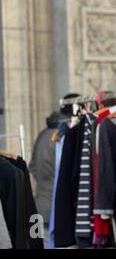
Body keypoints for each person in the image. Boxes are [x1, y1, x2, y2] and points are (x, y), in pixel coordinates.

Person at [29, 93, 81, 246]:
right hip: (58, 210)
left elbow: (32, 166)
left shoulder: (43, 134)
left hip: (40, 206)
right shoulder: (63, 136)